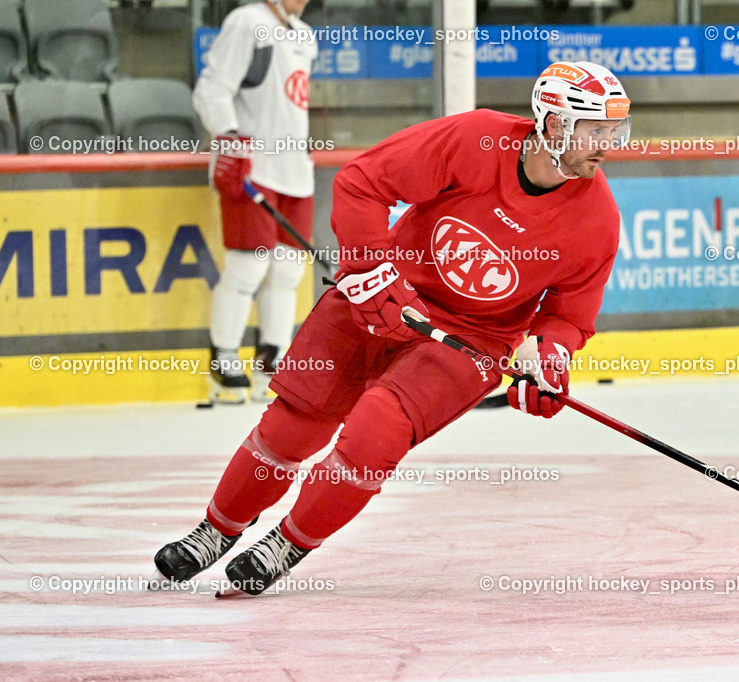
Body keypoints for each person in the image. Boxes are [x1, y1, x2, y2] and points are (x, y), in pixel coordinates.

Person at [152, 61, 631, 595]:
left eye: (615, 131)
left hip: (472, 340)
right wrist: (366, 268)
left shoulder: (598, 221)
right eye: (595, 130)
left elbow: (567, 315)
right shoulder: (475, 140)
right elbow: (362, 184)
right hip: (382, 289)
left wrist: (548, 355)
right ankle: (215, 531)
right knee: (296, 423)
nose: (607, 143)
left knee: (376, 430)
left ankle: (286, 544)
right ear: (553, 123)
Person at [193, 0, 317, 403]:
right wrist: (228, 137)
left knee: (287, 269)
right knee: (248, 265)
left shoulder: (304, 34)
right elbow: (212, 88)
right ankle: (224, 356)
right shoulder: (248, 22)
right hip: (253, 166)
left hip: (295, 169)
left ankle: (273, 359)